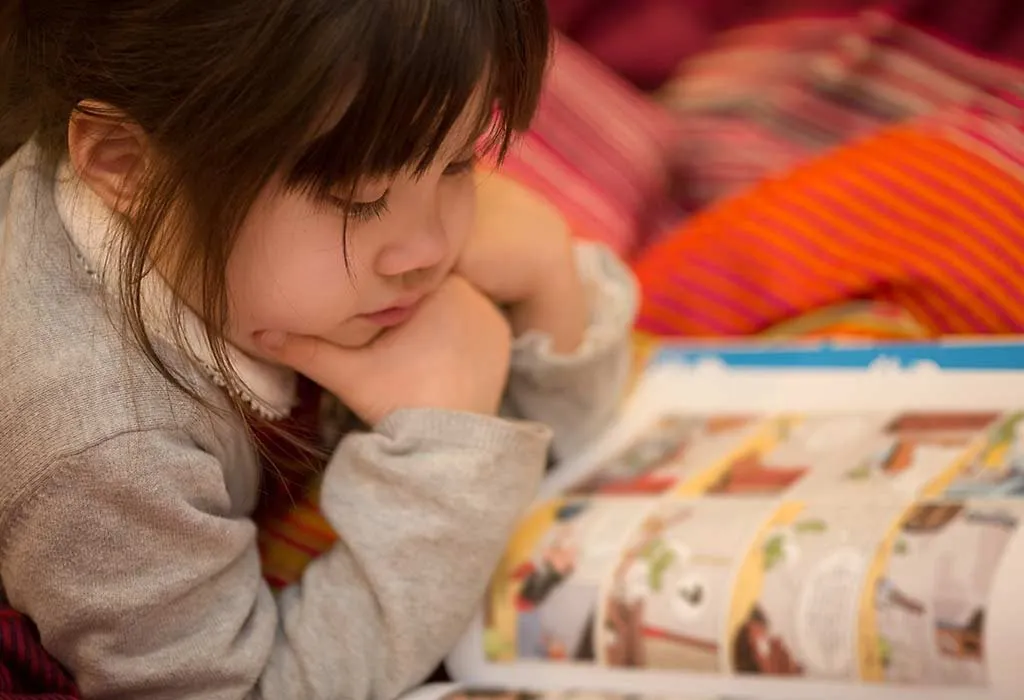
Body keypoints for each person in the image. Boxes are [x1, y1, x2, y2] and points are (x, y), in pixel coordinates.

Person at [0, 1, 637, 697]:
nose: (428, 250)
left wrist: (550, 277)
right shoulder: (101, 442)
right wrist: (444, 468)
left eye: (460, 164)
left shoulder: (349, 217)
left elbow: (560, 449)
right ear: (127, 165)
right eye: (356, 198)